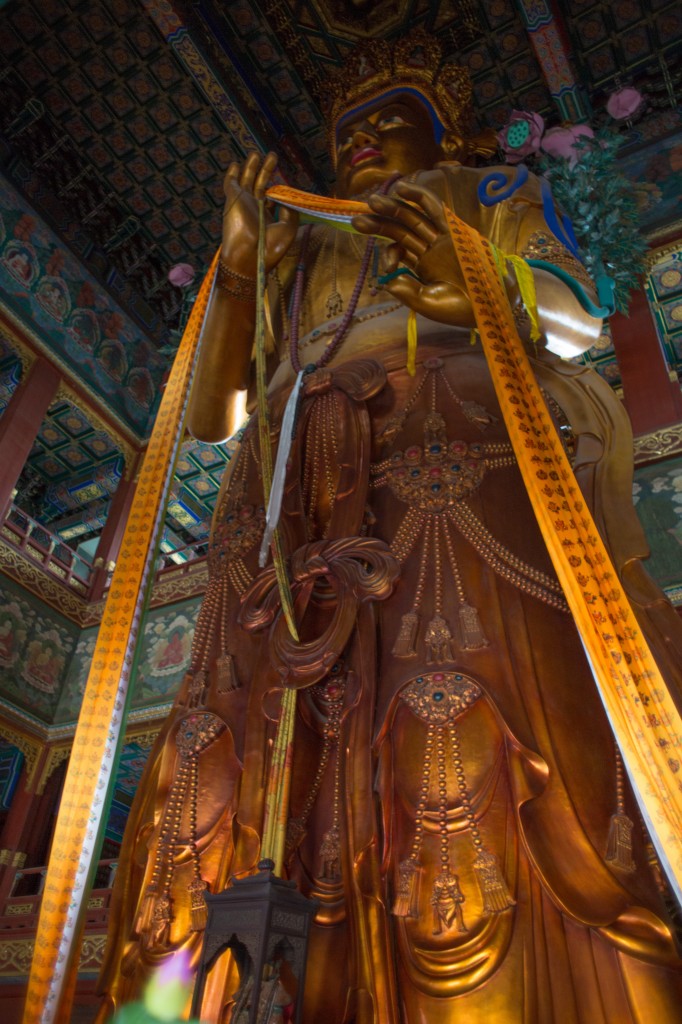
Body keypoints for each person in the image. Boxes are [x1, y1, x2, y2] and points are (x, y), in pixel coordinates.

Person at [97, 33, 682, 1024]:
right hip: (283, 500)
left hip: (448, 448)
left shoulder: (483, 195)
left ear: (440, 130)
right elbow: (210, 418)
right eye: (345, 134)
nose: (362, 142)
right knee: (219, 768)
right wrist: (239, 273)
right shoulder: (299, 249)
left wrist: (477, 293)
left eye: (387, 120)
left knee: (456, 725)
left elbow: (583, 313)